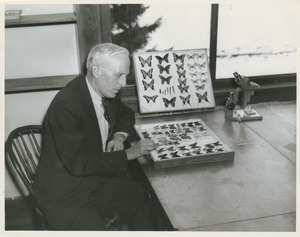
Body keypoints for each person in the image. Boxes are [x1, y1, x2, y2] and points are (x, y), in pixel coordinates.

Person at [32, 43, 156, 230]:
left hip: (92, 180)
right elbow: (78, 163)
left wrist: (119, 137)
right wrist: (130, 153)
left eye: (126, 76)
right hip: (65, 193)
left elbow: (125, 114)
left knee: (140, 195)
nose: (123, 84)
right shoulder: (66, 106)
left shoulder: (104, 91)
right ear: (96, 70)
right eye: (119, 75)